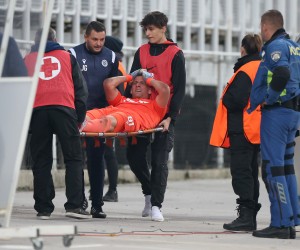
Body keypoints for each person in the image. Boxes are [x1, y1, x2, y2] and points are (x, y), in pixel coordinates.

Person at [124, 11, 186, 222]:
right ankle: (149, 192)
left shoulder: (176, 53)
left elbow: (179, 89)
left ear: (163, 29)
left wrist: (171, 118)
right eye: (146, 30)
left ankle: (156, 206)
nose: (148, 33)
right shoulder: (141, 51)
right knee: (133, 157)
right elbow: (132, 82)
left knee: (159, 162)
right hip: (141, 113)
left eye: (151, 29)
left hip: (163, 116)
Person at [24, 27, 90, 219]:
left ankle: (44, 208)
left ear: (34, 41)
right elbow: (81, 91)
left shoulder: (28, 59)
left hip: (37, 112)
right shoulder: (67, 57)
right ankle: (74, 206)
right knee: (73, 157)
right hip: (64, 108)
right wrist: (79, 118)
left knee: (41, 160)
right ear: (55, 38)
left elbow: (21, 89)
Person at [248, 10, 300, 239]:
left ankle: (279, 222)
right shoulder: (294, 47)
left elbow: (281, 73)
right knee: (286, 166)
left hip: (276, 114)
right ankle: (291, 220)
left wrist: (269, 97)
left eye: (262, 28)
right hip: (292, 113)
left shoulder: (275, 46)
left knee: (272, 167)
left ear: (266, 27)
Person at [210, 34, 262, 231]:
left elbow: (236, 100)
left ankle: (246, 215)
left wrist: (227, 96)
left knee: (241, 172)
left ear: (243, 49)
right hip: (255, 128)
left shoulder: (246, 69)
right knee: (250, 172)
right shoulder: (261, 66)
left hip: (242, 128)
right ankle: (251, 215)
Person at [69, 21, 119, 218]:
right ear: (86, 37)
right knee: (76, 160)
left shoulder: (112, 57)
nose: (99, 43)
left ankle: (97, 205)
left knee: (97, 160)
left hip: (99, 118)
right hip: (76, 116)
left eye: (102, 39)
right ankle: (78, 201)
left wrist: (114, 114)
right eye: (95, 39)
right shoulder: (72, 55)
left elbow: (115, 89)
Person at [82, 69, 170, 133]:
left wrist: (149, 79)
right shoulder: (121, 100)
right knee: (83, 116)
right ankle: (75, 126)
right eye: (135, 83)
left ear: (150, 90)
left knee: (110, 120)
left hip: (130, 117)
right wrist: (130, 77)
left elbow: (165, 90)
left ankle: (76, 128)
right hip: (112, 110)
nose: (138, 85)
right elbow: (108, 84)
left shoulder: (155, 106)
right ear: (131, 90)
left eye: (142, 83)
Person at [102, 36, 127, 202]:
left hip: (110, 115)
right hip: (112, 114)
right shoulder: (119, 66)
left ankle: (112, 190)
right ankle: (110, 189)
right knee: (106, 152)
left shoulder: (114, 66)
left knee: (107, 153)